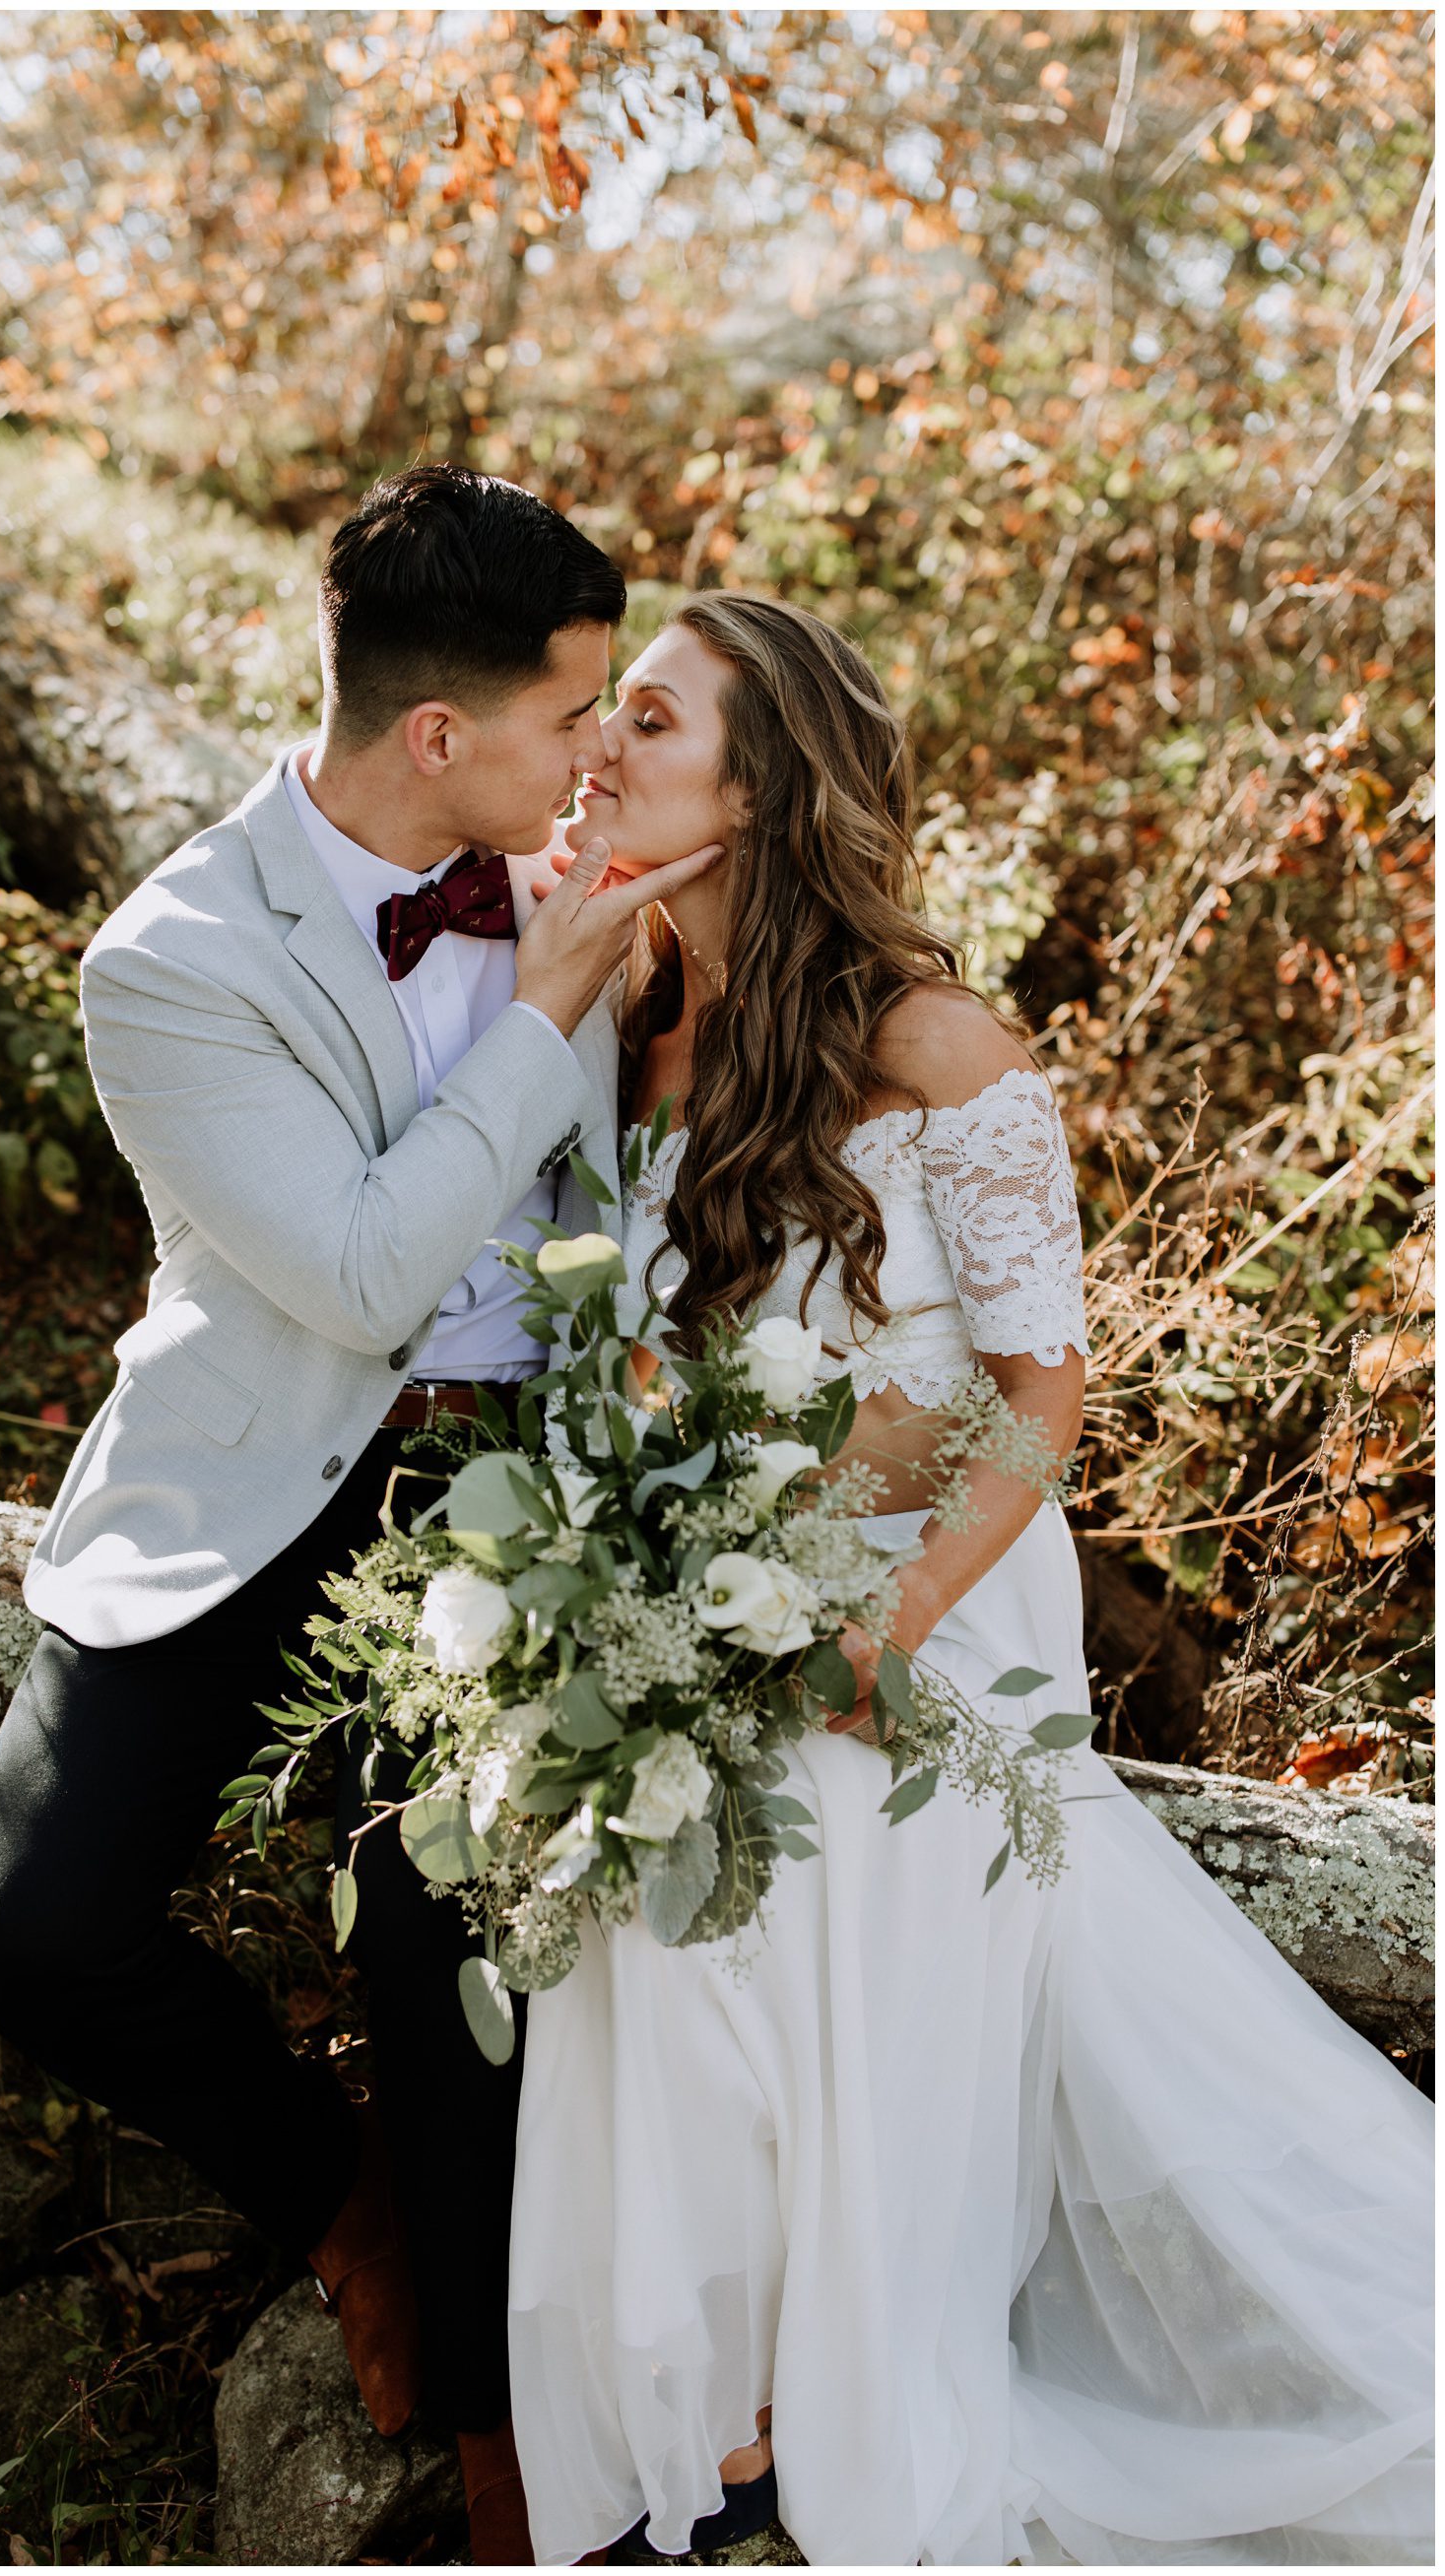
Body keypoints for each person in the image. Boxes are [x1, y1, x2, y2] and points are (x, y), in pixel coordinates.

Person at [506, 594, 1433, 2567]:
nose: (599, 747)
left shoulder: (939, 1047)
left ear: (758, 785)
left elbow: (1039, 1387)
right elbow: (584, 1303)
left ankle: (776, 2433)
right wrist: (608, 1536)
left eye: (646, 722)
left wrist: (883, 1617)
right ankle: (707, 2433)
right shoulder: (604, 1021)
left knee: (787, 1854)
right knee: (642, 1878)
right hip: (690, 1598)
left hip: (912, 1625)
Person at [0, 463, 722, 2563]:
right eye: (572, 718)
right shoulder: (172, 961)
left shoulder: (570, 879)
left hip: (502, 1488)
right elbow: (366, 1275)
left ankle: (500, 2436)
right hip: (251, 1470)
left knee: (440, 1916)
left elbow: (627, 1213)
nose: (596, 758)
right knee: (30, 1927)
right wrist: (551, 996)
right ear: (436, 735)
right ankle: (335, 2206)